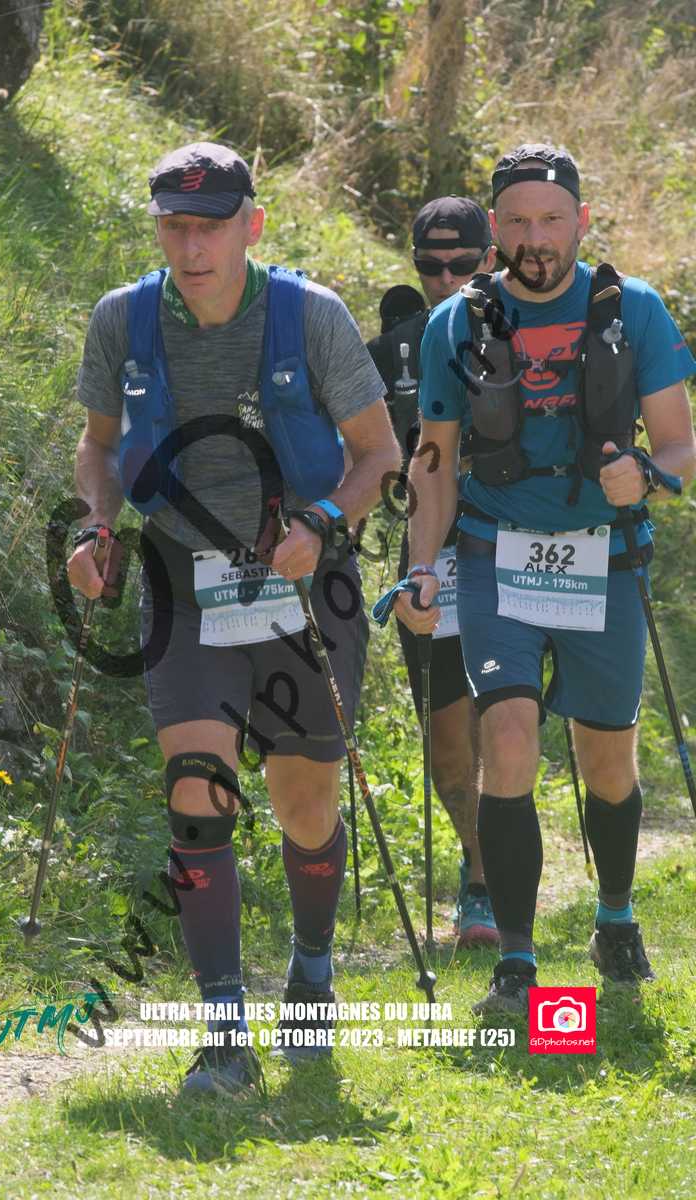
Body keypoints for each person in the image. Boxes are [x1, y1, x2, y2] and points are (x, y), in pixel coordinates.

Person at [68, 142, 399, 1090]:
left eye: (210, 227)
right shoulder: (123, 319)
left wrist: (324, 521)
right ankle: (224, 1032)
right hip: (181, 578)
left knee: (304, 805)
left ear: (251, 226)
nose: (192, 246)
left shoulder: (312, 315)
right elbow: (97, 448)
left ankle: (312, 972)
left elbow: (379, 455)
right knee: (195, 789)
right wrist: (96, 526)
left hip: (304, 580)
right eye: (174, 226)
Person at [398, 142, 696, 1013]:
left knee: (608, 762)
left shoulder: (633, 309)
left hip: (604, 557)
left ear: (582, 222)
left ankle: (615, 914)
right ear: (496, 227)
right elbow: (433, 461)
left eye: (553, 220)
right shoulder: (457, 322)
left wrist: (648, 476)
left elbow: (680, 445)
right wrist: (422, 569)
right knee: (509, 738)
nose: (537, 238)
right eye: (520, 221)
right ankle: (517, 962)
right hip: (496, 556)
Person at [366, 197, 498, 946]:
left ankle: (495, 880)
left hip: (521, 551)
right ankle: (480, 871)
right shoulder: (392, 350)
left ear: (490, 258)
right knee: (448, 742)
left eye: (461, 264)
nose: (446, 278)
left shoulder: (531, 328)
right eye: (430, 266)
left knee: (506, 725)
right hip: (432, 561)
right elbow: (359, 452)